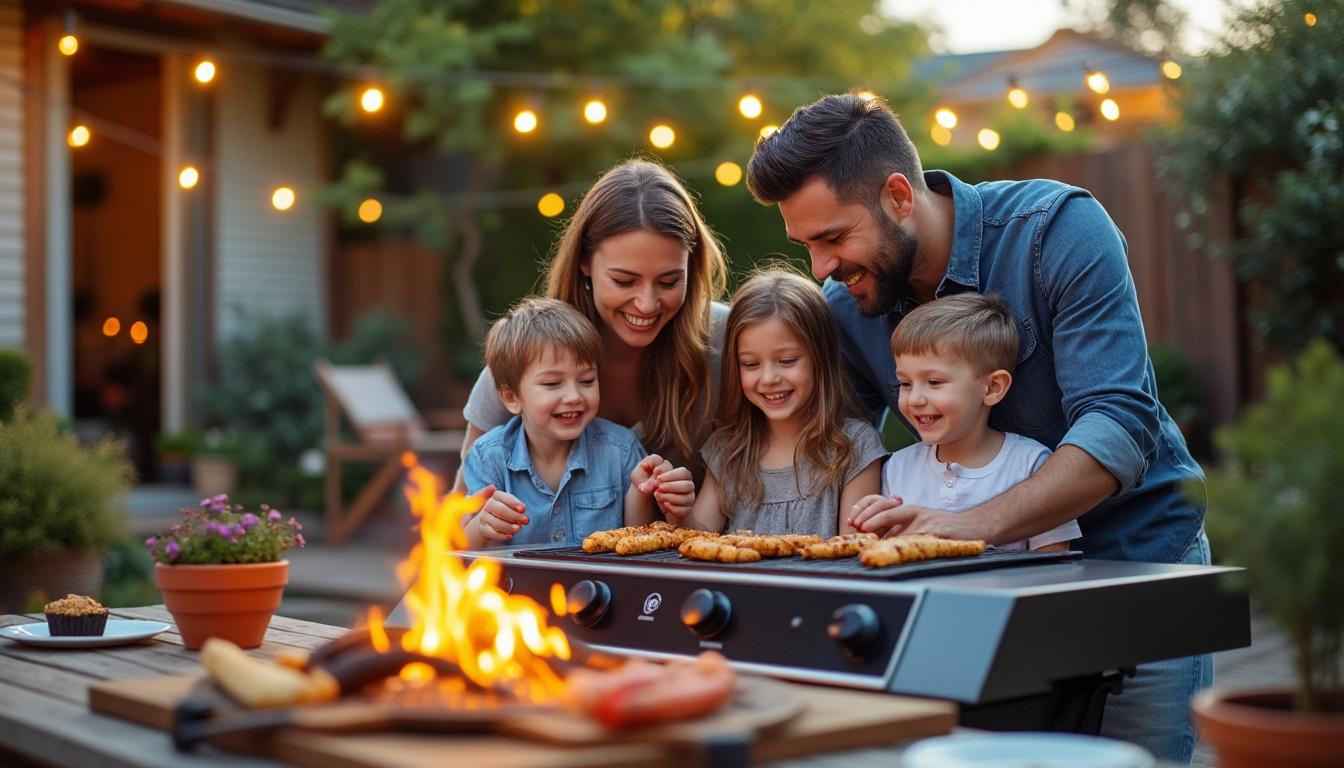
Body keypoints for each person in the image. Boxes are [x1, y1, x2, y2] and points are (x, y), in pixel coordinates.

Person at [746, 94, 1210, 763]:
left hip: (1132, 563)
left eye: (833, 238)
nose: (821, 268)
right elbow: (828, 444)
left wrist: (966, 526)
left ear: (899, 197)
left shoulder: (1057, 230)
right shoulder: (847, 304)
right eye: (806, 245)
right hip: (972, 604)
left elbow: (1119, 422)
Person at [457, 158, 728, 525]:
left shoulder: (725, 341)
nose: (647, 304)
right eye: (624, 281)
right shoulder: (532, 351)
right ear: (585, 262)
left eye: (668, 282)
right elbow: (459, 513)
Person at [848, 293, 1081, 552]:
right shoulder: (896, 469)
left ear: (992, 388)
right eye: (905, 383)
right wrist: (874, 530)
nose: (914, 399)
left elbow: (1053, 565)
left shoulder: (1030, 465)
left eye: (934, 382)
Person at [674, 268, 886, 537]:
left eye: (786, 361)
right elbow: (699, 540)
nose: (769, 378)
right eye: (751, 364)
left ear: (821, 359)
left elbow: (853, 550)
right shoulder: (727, 452)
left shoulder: (855, 447)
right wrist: (679, 512)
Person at [461, 297, 684, 548]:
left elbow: (638, 540)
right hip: (517, 587)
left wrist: (641, 491)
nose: (574, 396)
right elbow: (462, 547)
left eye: (587, 381)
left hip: (602, 586)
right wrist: (482, 525)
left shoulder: (620, 450)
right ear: (512, 397)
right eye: (552, 384)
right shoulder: (488, 457)